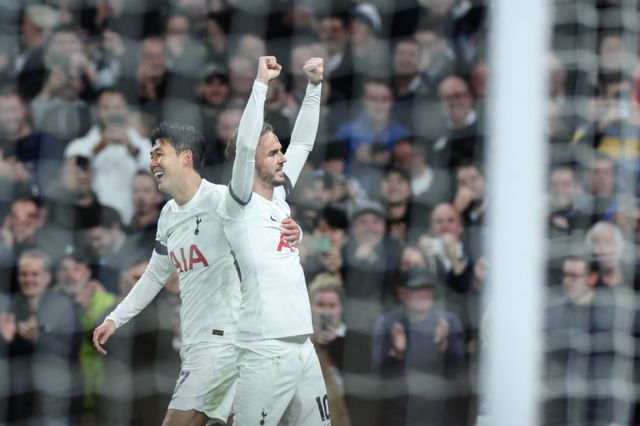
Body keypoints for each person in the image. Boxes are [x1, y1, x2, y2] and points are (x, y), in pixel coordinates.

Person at [92, 120, 302, 425]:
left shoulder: (219, 201)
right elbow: (154, 275)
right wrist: (115, 318)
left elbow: (266, 222)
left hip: (223, 343)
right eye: (151, 156)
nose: (153, 163)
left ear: (185, 157)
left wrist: (296, 232)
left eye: (158, 154)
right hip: (196, 345)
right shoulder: (168, 215)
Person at [218, 55, 329, 425]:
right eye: (273, 153)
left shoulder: (280, 198)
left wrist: (313, 88)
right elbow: (247, 145)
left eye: (279, 151)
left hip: (303, 345)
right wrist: (261, 85)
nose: (282, 157)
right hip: (262, 351)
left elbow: (303, 143)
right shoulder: (238, 204)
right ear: (251, 163)